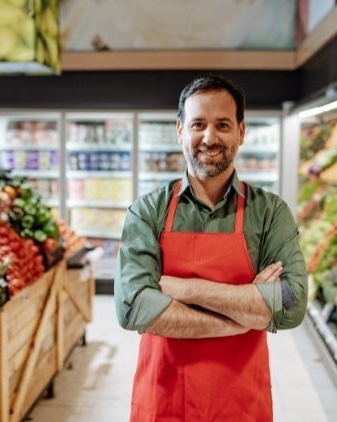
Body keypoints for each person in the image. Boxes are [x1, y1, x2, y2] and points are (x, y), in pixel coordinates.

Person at [114, 75, 307, 422]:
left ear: (242, 132)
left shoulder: (269, 212)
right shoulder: (148, 212)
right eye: (198, 124)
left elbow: (291, 303)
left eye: (223, 125)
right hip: (164, 398)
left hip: (240, 401)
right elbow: (133, 310)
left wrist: (181, 288)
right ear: (180, 130)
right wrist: (246, 312)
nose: (210, 138)